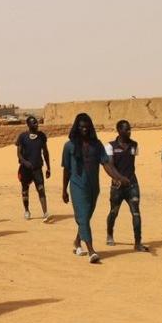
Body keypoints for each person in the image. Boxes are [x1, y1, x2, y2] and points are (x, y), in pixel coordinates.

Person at [62, 113, 130, 263]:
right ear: (76, 128)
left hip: (94, 187)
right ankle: (91, 250)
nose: (84, 129)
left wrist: (117, 177)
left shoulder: (97, 145)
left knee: (85, 217)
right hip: (77, 186)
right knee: (83, 217)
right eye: (81, 127)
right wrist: (64, 190)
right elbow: (66, 169)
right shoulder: (69, 146)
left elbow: (106, 163)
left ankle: (76, 242)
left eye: (86, 127)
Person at [105, 120, 148, 251]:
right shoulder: (110, 146)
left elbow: (131, 161)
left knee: (136, 213)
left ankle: (138, 242)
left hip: (132, 184)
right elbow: (110, 165)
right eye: (126, 129)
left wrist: (127, 179)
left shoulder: (134, 145)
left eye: (130, 129)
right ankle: (110, 234)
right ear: (119, 130)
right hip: (117, 186)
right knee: (114, 212)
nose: (129, 131)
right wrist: (118, 178)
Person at [16, 116, 52, 221]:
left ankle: (45, 213)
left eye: (36, 122)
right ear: (28, 125)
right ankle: (27, 210)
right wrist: (25, 162)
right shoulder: (23, 137)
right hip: (25, 169)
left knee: (41, 189)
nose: (36, 124)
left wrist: (48, 167)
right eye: (33, 123)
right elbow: (18, 154)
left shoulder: (41, 136)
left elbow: (45, 152)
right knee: (25, 190)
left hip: (37, 168)